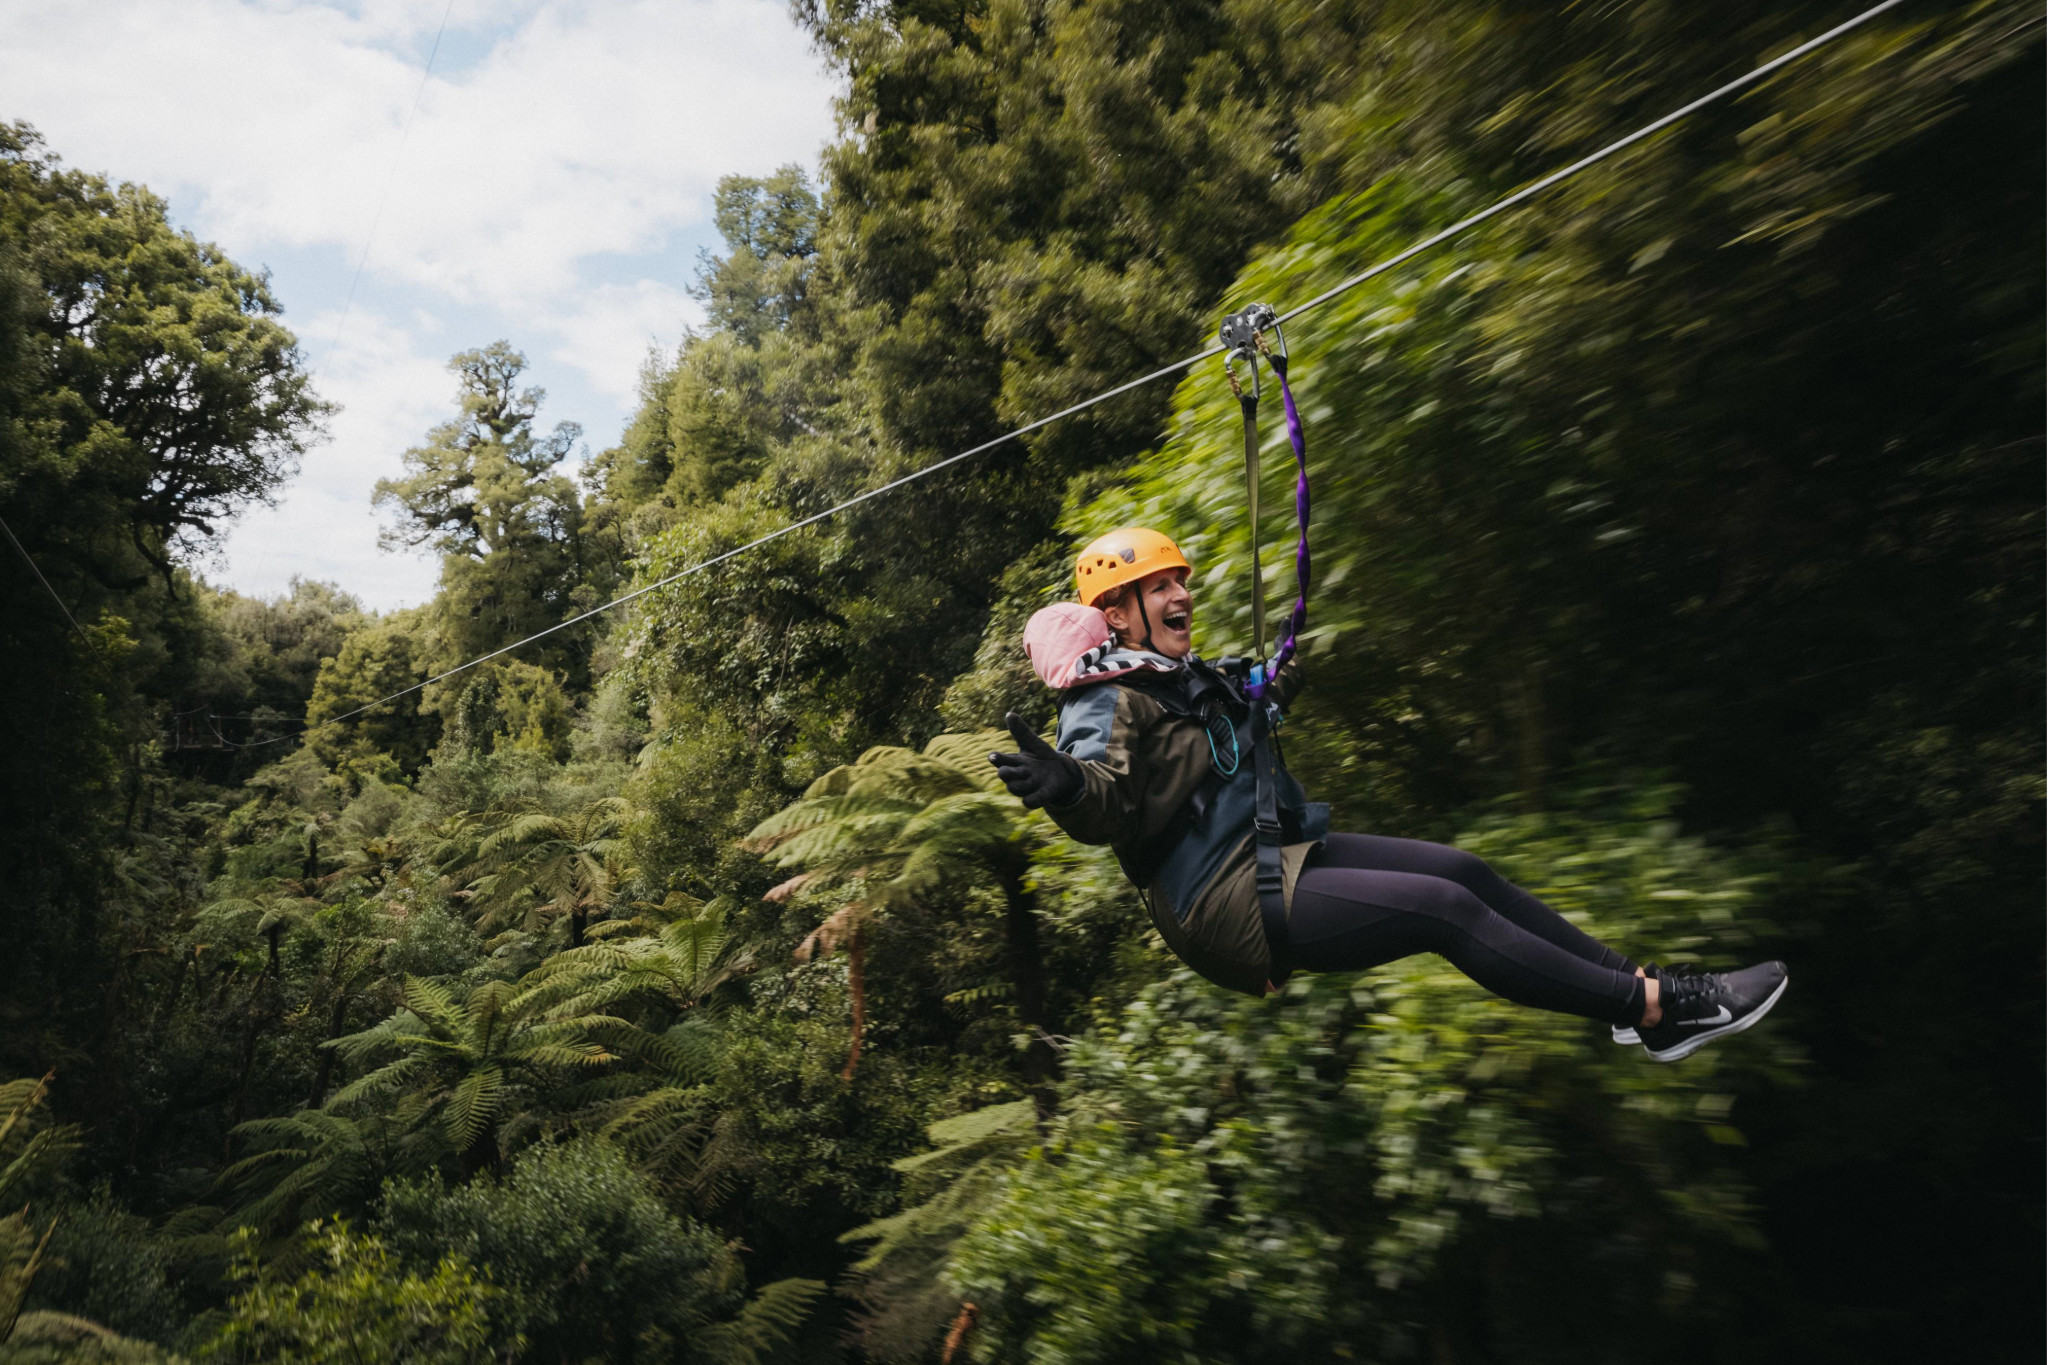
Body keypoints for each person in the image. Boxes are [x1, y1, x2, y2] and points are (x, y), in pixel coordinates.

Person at [990, 526, 1787, 1062]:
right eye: (1157, 586)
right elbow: (1102, 793)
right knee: (1446, 910)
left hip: (1269, 850)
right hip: (1221, 897)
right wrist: (1064, 784)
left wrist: (1268, 689)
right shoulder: (1102, 696)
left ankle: (1637, 992)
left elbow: (1228, 713)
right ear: (1116, 613)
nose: (1179, 595)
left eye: (1179, 581)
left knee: (1464, 871)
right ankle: (1657, 1008)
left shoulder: (1179, 676)